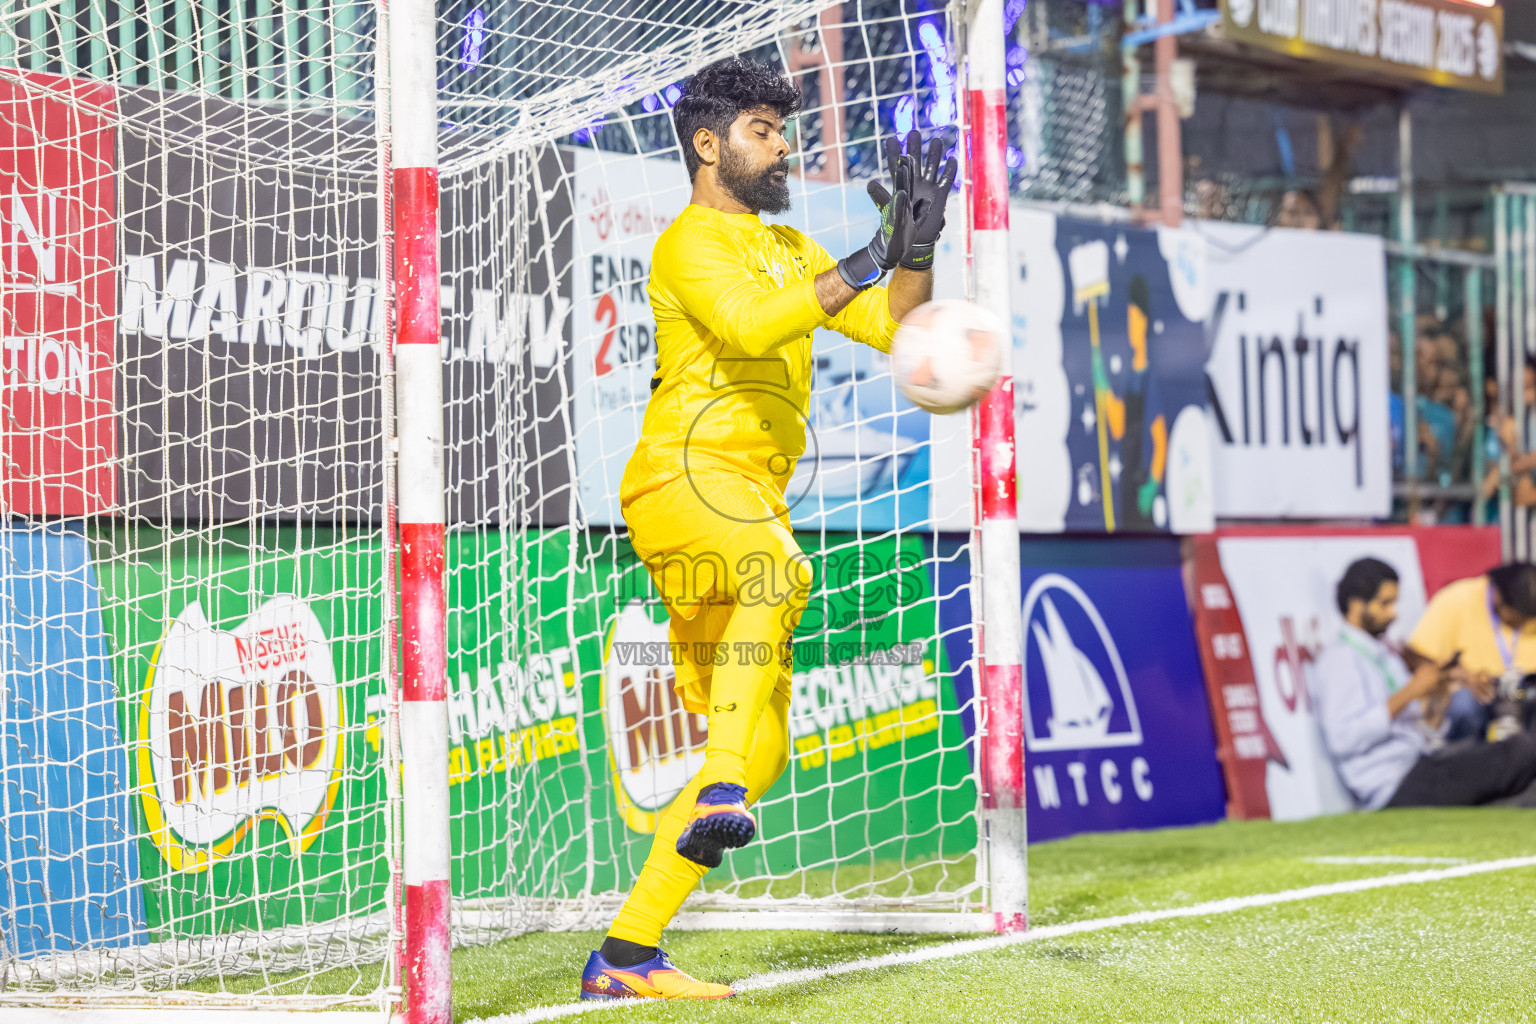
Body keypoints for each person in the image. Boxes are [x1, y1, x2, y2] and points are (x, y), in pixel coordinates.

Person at [579, 56, 951, 1001]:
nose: (781, 144)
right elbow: (749, 327)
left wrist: (913, 251)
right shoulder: (687, 245)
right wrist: (865, 257)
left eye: (782, 129)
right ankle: (717, 792)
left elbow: (896, 328)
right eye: (760, 129)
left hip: (749, 498)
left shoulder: (787, 246)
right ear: (708, 145)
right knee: (778, 575)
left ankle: (626, 955)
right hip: (682, 477)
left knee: (762, 747)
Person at [1312, 558, 1536, 810]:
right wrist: (1412, 691)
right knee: (1521, 751)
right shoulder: (1339, 659)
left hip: (1422, 761)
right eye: (1385, 604)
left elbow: (1422, 728)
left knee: (1517, 766)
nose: (1393, 613)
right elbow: (1343, 739)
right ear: (1356, 605)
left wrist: (1438, 698)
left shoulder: (1382, 654)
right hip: (1393, 783)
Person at [1408, 562, 1536, 742]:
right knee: (1463, 704)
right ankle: (1466, 762)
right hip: (1474, 688)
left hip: (1523, 690)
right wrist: (1463, 678)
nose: (1527, 622)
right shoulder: (1456, 599)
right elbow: (1417, 657)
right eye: (1521, 616)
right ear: (1499, 597)